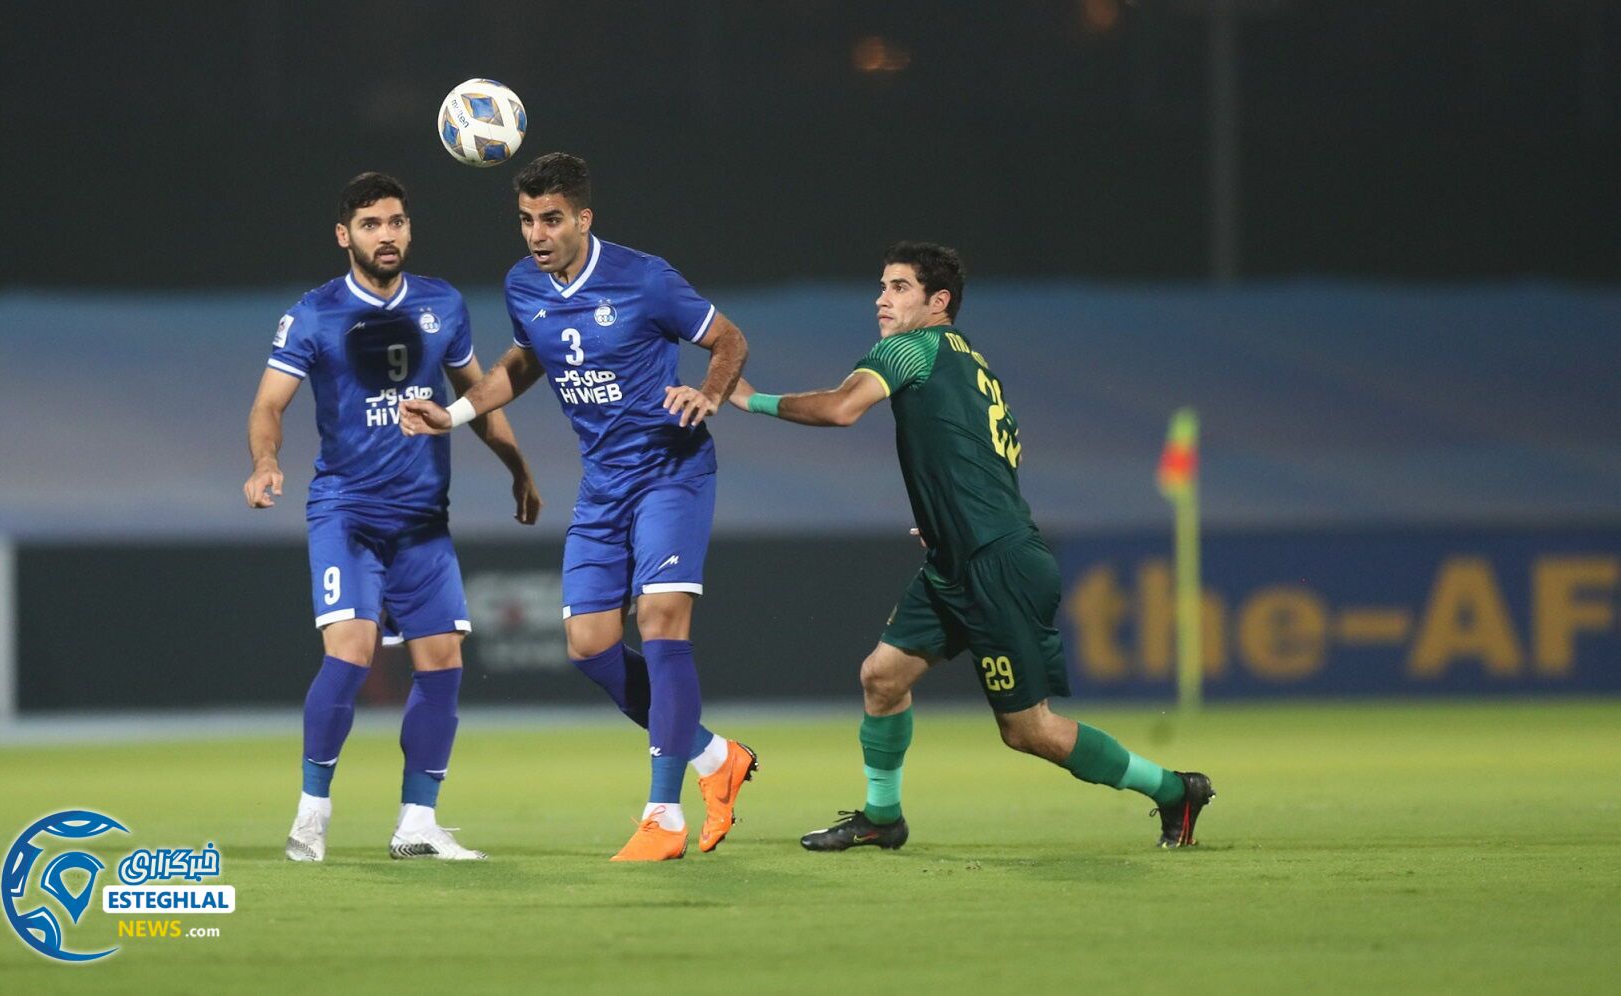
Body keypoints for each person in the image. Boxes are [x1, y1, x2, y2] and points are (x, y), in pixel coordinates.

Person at [728, 241, 1215, 850]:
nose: (882, 299)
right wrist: (947, 518)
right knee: (882, 677)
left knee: (1027, 730)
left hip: (998, 565)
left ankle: (1175, 790)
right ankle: (883, 817)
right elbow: (987, 458)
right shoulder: (973, 365)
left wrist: (748, 399)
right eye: (881, 286)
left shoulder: (910, 349)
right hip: (958, 558)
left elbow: (841, 409)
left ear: (939, 302)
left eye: (899, 287)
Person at [401, 153, 758, 862]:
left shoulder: (644, 278)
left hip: (670, 470)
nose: (537, 233)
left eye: (552, 219)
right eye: (527, 219)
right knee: (590, 649)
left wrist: (709, 393)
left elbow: (729, 339)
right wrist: (456, 411)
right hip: (603, 485)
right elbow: (526, 361)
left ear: (583, 219)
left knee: (659, 620)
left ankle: (663, 815)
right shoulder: (521, 283)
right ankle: (716, 757)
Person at [245, 172, 539, 863]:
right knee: (348, 654)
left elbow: (476, 400)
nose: (388, 235)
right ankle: (311, 815)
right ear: (345, 235)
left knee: (443, 665)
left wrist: (517, 468)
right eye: (372, 224)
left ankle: (417, 823)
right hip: (347, 511)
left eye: (397, 222)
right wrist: (265, 462)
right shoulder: (313, 314)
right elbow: (268, 405)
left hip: (423, 521)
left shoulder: (441, 304)